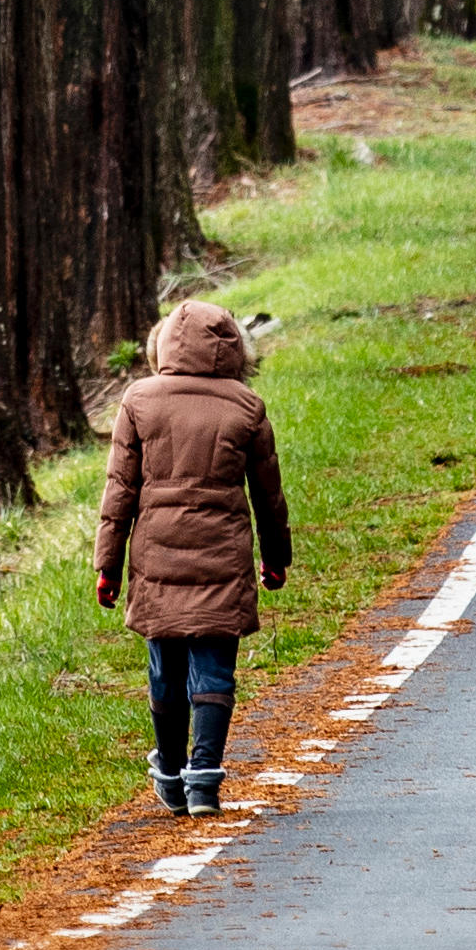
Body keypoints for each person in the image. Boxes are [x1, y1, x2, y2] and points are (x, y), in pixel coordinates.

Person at [95, 296, 291, 814]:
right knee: (213, 666)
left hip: (156, 559)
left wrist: (107, 566)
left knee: (165, 667)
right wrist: (276, 556)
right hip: (222, 559)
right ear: (231, 348)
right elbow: (268, 496)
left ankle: (169, 770)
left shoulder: (139, 401)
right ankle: (203, 777)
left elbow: (119, 495)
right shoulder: (245, 406)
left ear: (162, 346)